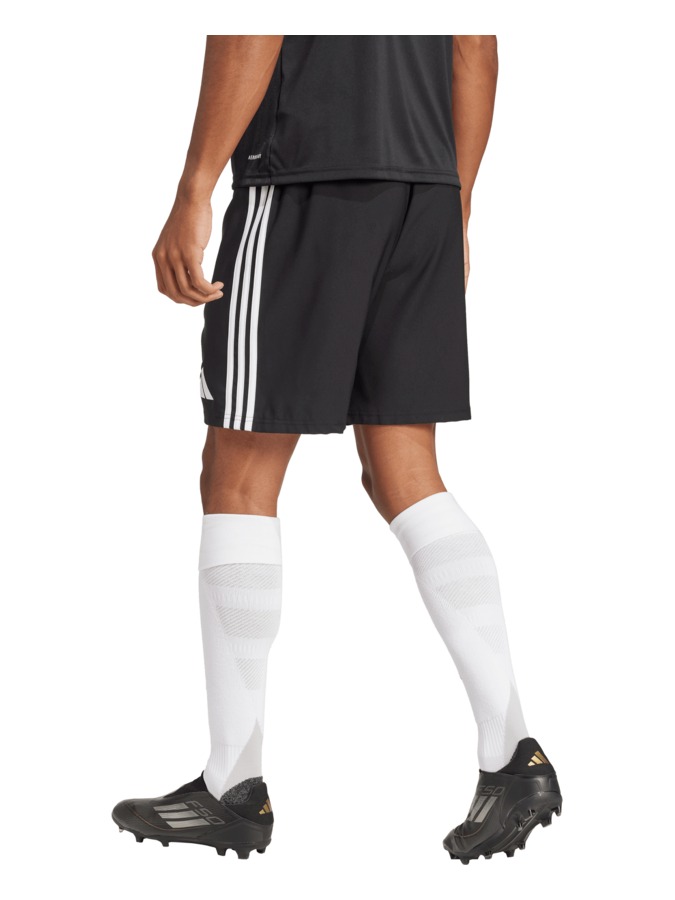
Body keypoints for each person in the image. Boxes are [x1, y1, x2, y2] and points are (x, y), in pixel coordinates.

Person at [112, 35, 562, 864]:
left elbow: (255, 24)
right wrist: (453, 204)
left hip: (304, 176)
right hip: (426, 186)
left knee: (238, 472)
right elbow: (473, 44)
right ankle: (513, 757)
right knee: (405, 473)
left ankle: (232, 787)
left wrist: (194, 188)